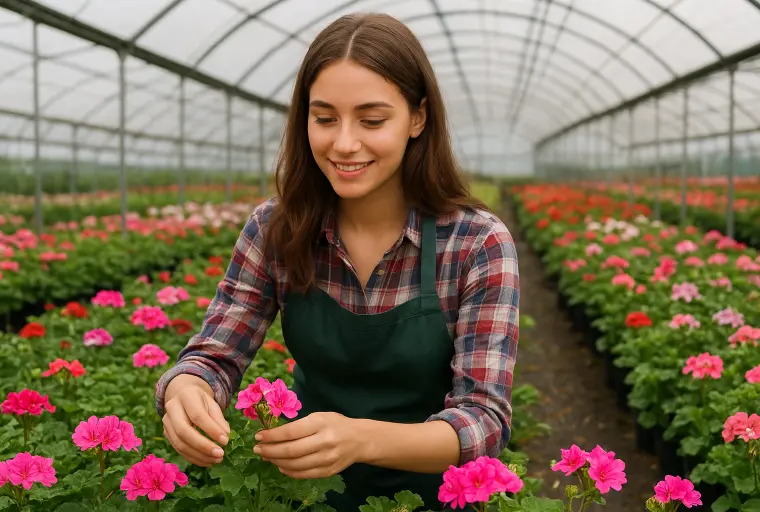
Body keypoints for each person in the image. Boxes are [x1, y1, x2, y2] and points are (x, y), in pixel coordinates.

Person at [154, 12, 519, 512]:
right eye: (324, 118)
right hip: (304, 491)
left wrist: (361, 439)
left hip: (433, 499)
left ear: (418, 117)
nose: (344, 143)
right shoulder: (276, 230)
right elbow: (214, 355)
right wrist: (186, 389)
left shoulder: (476, 244)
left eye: (372, 120)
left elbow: (485, 419)